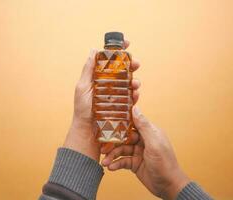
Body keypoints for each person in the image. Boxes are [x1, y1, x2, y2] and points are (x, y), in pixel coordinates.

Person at [39, 41, 213, 200]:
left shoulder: (118, 58)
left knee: (126, 90)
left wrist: (172, 182)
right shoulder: (106, 58)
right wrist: (173, 182)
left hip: (112, 131)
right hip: (105, 127)